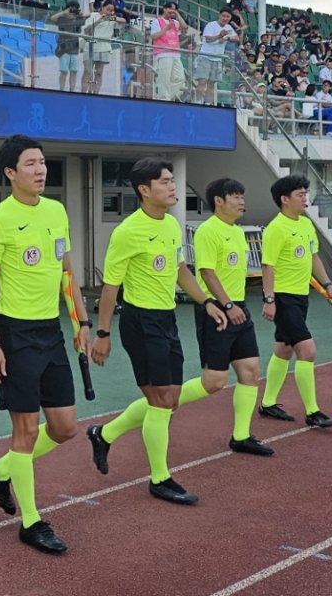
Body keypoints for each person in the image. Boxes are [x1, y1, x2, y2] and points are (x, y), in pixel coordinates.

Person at [0, 134, 90, 555]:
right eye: (30, 164)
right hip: (14, 334)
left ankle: (0, 471)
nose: (40, 170)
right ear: (10, 172)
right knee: (23, 430)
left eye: (42, 162)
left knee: (64, 428)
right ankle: (32, 521)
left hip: (51, 331)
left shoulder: (56, 211)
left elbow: (66, 272)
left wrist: (81, 320)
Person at [87, 157, 227, 506]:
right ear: (144, 190)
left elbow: (180, 270)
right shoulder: (127, 232)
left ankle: (104, 434)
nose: (172, 186)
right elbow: (110, 287)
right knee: (161, 401)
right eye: (164, 181)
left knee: (169, 400)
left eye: (171, 180)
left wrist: (207, 302)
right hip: (140, 322)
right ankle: (160, 478)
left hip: (167, 319)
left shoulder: (171, 225)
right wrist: (102, 334)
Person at [184, 177, 271, 456]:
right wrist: (227, 305)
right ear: (219, 201)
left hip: (238, 308)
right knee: (214, 382)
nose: (242, 201)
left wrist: (237, 306)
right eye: (235, 196)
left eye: (242, 196)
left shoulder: (237, 231)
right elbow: (207, 272)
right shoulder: (208, 231)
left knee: (251, 371)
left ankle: (241, 436)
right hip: (217, 311)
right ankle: (163, 402)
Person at [257, 175, 332, 428]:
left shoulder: (305, 224)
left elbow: (314, 257)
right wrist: (269, 299)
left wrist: (328, 285)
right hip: (283, 298)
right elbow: (268, 266)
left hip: (301, 296)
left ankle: (268, 404)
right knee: (307, 350)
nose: (305, 198)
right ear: (285, 199)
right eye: (300, 194)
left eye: (305, 193)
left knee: (284, 348)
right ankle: (313, 411)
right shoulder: (276, 228)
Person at [152, 2, 189, 101]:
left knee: (180, 78)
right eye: (170, 9)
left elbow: (184, 27)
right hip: (163, 53)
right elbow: (154, 36)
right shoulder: (157, 21)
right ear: (164, 9)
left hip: (175, 53)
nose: (172, 11)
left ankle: (163, 97)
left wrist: (177, 14)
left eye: (174, 10)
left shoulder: (175, 22)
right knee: (164, 78)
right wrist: (166, 28)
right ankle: (163, 99)